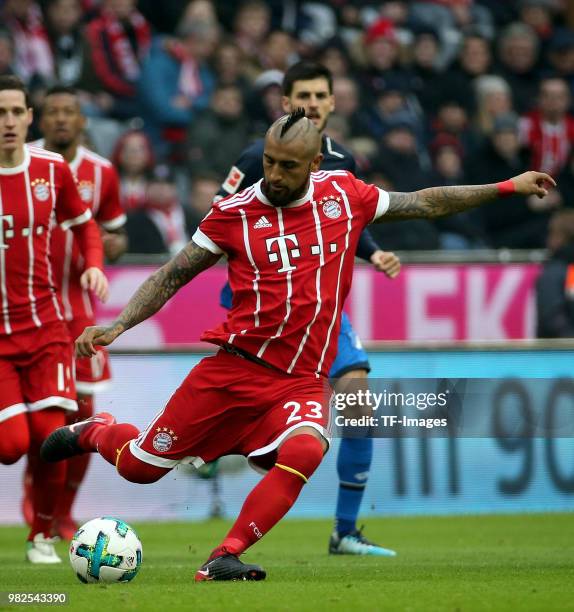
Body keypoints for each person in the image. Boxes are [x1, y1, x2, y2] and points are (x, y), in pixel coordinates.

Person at [41, 109, 554, 580]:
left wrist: (507, 186)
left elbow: (426, 201)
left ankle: (225, 555)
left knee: (309, 446)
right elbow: (171, 276)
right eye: (269, 162)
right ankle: (96, 431)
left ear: (313, 163)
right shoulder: (234, 213)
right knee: (138, 468)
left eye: (288, 165)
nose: (276, 175)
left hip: (300, 380)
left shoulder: (345, 195)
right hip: (232, 373)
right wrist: (117, 326)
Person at [217, 61, 400, 556]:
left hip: (319, 307)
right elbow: (218, 220)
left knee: (359, 402)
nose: (314, 103)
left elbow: (350, 221)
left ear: (333, 102)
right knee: (256, 409)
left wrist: (373, 250)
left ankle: (344, 530)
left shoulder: (344, 162)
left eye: (322, 95)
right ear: (286, 103)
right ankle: (228, 449)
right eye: (304, 95)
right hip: (262, 309)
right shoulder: (258, 157)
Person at [0, 75, 108, 563]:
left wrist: (93, 265)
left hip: (47, 327)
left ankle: (40, 535)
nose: (7, 122)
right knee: (10, 445)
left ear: (29, 118)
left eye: (15, 112)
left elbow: (85, 223)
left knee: (49, 438)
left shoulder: (51, 170)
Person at [21, 85, 127, 540]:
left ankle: (64, 512)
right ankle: (37, 490)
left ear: (82, 121)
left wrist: (103, 253)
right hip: (25, 308)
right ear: (40, 120)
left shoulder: (102, 173)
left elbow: (117, 235)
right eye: (53, 112)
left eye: (70, 112)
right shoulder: (19, 162)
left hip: (79, 313)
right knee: (37, 414)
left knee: (81, 414)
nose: (62, 119)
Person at [536, 209, 574, 338]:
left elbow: (552, 318)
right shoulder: (558, 271)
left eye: (551, 234)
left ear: (559, 237)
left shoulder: (555, 271)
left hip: (558, 354)